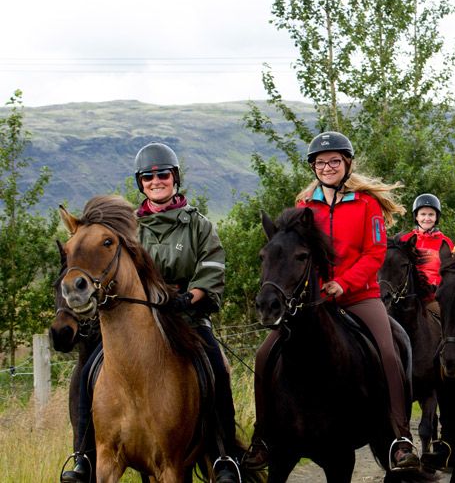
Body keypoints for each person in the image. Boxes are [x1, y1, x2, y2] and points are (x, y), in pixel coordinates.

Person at [61, 142, 241, 483]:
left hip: (184, 316)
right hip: (133, 318)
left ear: (174, 179)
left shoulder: (197, 224)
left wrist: (191, 297)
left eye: (162, 175)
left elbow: (213, 264)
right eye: (148, 177)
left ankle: (224, 455)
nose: (156, 181)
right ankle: (82, 457)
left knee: (216, 366)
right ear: (140, 183)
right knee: (85, 372)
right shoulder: (127, 229)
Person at [244, 131, 419, 471]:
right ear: (313, 167)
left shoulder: (368, 205)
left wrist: (344, 283)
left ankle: (400, 437)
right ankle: (262, 438)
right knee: (265, 354)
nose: (327, 167)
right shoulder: (304, 209)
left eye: (334, 161)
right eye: (320, 162)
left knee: (388, 349)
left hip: (359, 296)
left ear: (347, 164)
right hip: (313, 300)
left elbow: (375, 253)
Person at [401, 193, 455, 309]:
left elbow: (450, 273)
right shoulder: (405, 240)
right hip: (408, 297)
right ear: (416, 216)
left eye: (431, 214)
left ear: (436, 217)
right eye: (423, 214)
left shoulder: (446, 242)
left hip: (434, 297)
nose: (427, 218)